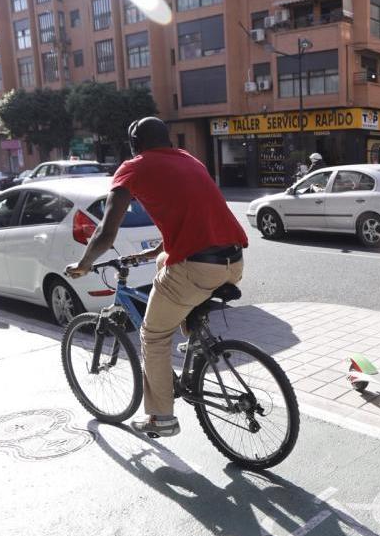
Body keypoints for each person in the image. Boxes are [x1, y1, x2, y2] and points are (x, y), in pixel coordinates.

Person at [65, 117, 248, 438]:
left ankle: (161, 417)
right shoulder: (189, 160)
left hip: (198, 268)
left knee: (152, 335)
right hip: (233, 261)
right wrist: (149, 256)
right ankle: (194, 336)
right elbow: (193, 223)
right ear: (168, 140)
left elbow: (106, 233)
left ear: (134, 145)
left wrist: (82, 265)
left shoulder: (133, 168)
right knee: (166, 262)